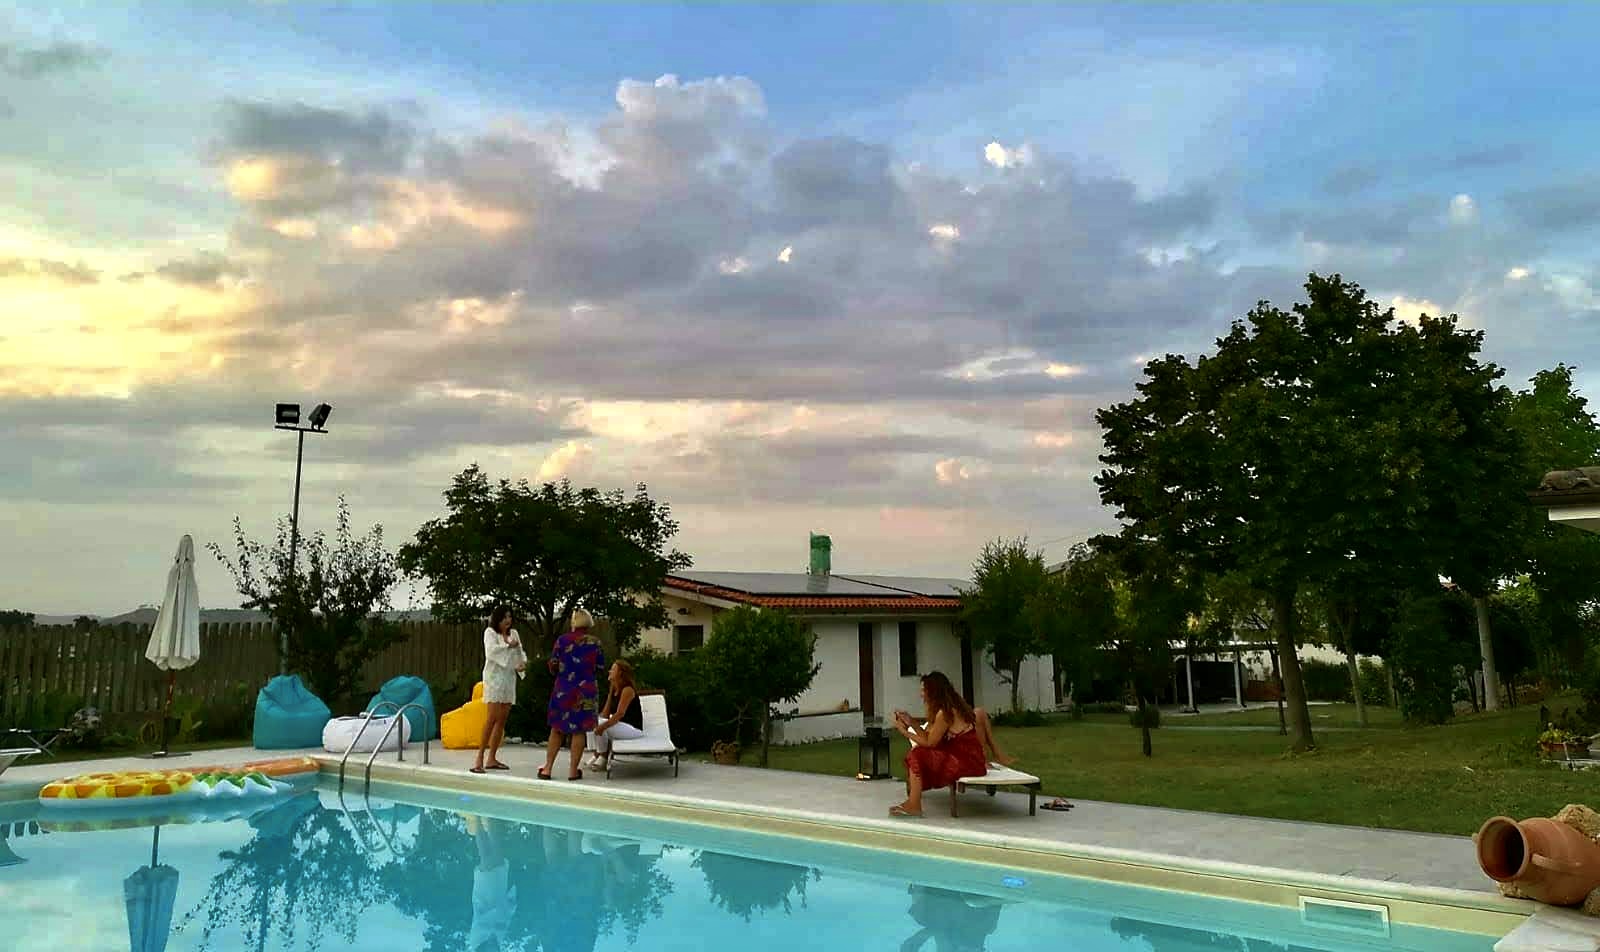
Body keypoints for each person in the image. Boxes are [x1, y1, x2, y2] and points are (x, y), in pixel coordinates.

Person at [889, 671, 987, 818]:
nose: (921, 694)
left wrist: (903, 731)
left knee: (917, 754)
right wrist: (911, 722)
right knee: (919, 753)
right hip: (963, 758)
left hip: (967, 761)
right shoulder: (945, 709)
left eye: (923, 690)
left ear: (933, 691)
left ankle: (914, 805)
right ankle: (913, 803)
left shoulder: (945, 713)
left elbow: (930, 743)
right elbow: (929, 737)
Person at [540, 607, 604, 781]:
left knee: (557, 729)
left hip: (563, 689)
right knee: (579, 731)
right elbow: (600, 667)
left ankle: (547, 768)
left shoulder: (562, 641)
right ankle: (572, 771)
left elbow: (553, 665)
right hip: (586, 691)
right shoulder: (595, 643)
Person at [472, 605, 525, 775]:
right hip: (494, 678)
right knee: (492, 718)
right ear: (498, 619)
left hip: (509, 678)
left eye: (509, 617)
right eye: (504, 618)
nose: (508, 621)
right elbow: (491, 652)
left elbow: (520, 652)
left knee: (502, 720)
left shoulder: (514, 634)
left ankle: (492, 758)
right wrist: (508, 647)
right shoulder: (490, 633)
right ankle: (479, 757)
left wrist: (522, 663)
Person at [586, 659, 645, 772]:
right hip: (621, 725)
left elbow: (619, 714)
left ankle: (602, 756)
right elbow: (605, 714)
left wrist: (602, 726)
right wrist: (610, 692)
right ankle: (597, 754)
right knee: (591, 721)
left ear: (620, 673)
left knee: (600, 724)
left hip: (633, 729)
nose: (609, 671)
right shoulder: (614, 690)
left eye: (613, 669)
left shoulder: (628, 690)